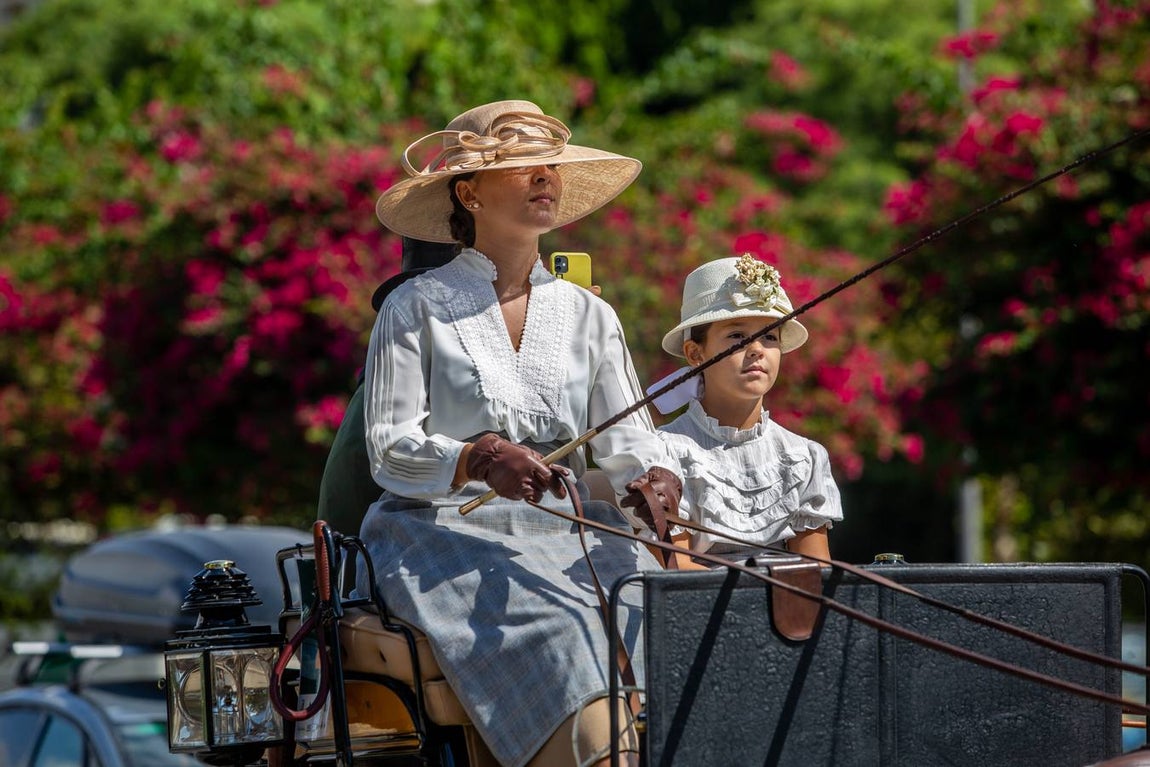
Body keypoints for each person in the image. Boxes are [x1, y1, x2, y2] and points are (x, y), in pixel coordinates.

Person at [358, 100, 682, 767]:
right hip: (438, 537)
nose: (545, 177)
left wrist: (654, 479)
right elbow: (388, 447)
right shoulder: (413, 308)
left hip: (570, 532)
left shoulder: (590, 314)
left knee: (670, 615)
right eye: (521, 165)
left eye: (551, 166)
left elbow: (633, 439)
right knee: (568, 631)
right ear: (469, 191)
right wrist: (475, 457)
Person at [647, 254, 843, 566]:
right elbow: (676, 572)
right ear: (695, 353)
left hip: (787, 611)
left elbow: (816, 573)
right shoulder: (665, 452)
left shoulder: (804, 457)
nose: (756, 349)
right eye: (737, 336)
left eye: (770, 336)